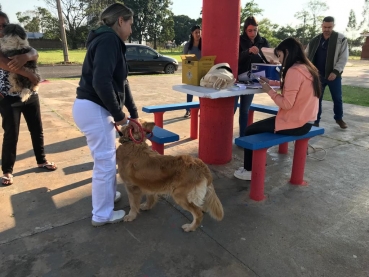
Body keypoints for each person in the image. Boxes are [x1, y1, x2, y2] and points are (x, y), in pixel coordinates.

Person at [72, 3, 141, 227]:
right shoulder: (109, 40)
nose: (131, 29)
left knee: (107, 159)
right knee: (105, 163)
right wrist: (119, 115)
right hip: (94, 107)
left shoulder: (108, 40)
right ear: (120, 21)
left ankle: (108, 197)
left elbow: (122, 82)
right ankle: (102, 215)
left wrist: (133, 113)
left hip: (92, 107)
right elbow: (101, 82)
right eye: (130, 24)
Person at [234, 38, 321, 181]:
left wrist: (269, 91)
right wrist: (271, 82)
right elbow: (293, 86)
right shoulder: (308, 68)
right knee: (256, 128)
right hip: (307, 120)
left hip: (295, 122)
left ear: (287, 52)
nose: (279, 61)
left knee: (250, 131)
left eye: (280, 56)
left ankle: (250, 170)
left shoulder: (293, 71)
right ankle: (255, 164)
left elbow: (286, 104)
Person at [0, 11, 57, 186]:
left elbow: (34, 52)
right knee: (11, 134)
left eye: (3, 26)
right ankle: (7, 171)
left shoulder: (18, 42)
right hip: (8, 96)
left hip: (30, 94)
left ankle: (41, 160)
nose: (1, 30)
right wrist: (31, 76)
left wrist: (26, 56)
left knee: (37, 129)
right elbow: (5, 64)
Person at [306, 16, 349, 129]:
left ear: (333, 26)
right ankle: (316, 120)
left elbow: (343, 57)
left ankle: (339, 118)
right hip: (318, 75)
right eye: (325, 27)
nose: (327, 29)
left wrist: (335, 71)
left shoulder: (341, 39)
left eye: (329, 27)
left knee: (337, 98)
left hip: (334, 75)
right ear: (322, 25)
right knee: (316, 98)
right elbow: (306, 55)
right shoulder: (315, 40)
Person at [235, 16, 269, 137]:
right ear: (245, 30)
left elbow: (268, 58)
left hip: (252, 80)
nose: (253, 33)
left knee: (244, 110)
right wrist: (248, 51)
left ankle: (243, 137)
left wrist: (273, 60)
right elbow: (235, 58)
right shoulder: (238, 40)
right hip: (237, 79)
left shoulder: (263, 41)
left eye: (255, 30)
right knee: (231, 109)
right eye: (250, 30)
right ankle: (225, 138)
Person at [183, 25, 201, 118]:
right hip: (191, 71)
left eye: (199, 32)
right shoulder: (187, 45)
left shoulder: (204, 44)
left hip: (202, 72)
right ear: (192, 33)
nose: (198, 34)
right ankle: (188, 110)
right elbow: (184, 58)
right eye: (196, 32)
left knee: (201, 92)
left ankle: (202, 109)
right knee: (189, 92)